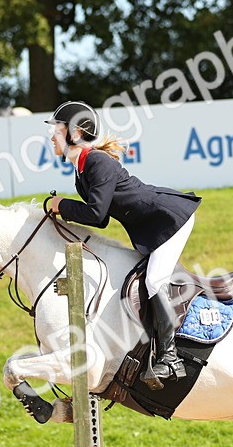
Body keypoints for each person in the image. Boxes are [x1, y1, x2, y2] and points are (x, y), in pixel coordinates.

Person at [45, 101, 201, 386]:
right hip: (153, 225)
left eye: (57, 130)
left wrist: (61, 205)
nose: (52, 136)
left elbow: (96, 213)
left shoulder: (96, 162)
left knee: (155, 281)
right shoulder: (81, 169)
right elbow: (101, 219)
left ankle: (170, 358)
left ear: (75, 134)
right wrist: (62, 208)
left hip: (169, 220)